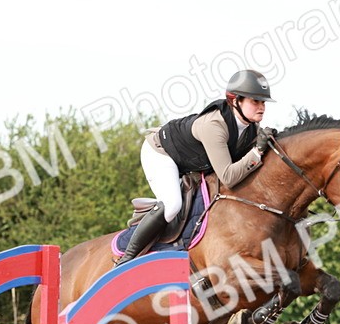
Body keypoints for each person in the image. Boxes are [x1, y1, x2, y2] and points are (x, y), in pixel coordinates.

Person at [116, 69, 276, 264]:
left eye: (263, 102)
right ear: (236, 101)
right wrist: (257, 152)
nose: (262, 107)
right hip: (161, 153)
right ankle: (127, 259)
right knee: (172, 205)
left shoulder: (251, 128)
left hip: (188, 162)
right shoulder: (214, 125)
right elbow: (228, 176)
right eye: (255, 101)